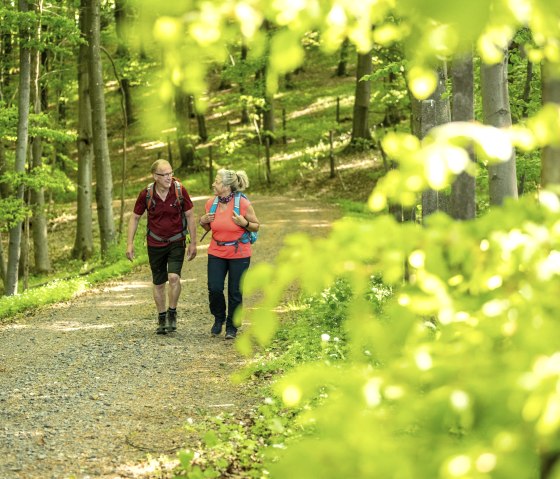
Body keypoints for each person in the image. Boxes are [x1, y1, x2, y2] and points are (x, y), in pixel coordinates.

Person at [126, 160, 197, 334]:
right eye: (164, 174)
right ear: (155, 176)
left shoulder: (180, 190)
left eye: (170, 173)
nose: (168, 177)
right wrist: (130, 243)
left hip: (176, 241)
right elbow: (135, 218)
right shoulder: (146, 194)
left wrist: (193, 243)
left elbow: (190, 216)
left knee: (173, 277)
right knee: (158, 283)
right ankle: (162, 317)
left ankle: (172, 313)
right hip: (155, 243)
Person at [199, 169, 259, 339]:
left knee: (235, 291)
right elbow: (210, 227)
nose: (213, 184)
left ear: (226, 186)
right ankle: (219, 318)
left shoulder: (244, 204)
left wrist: (244, 222)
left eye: (216, 181)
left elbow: (256, 226)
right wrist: (202, 221)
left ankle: (232, 325)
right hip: (216, 251)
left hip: (239, 253)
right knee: (215, 288)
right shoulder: (211, 203)